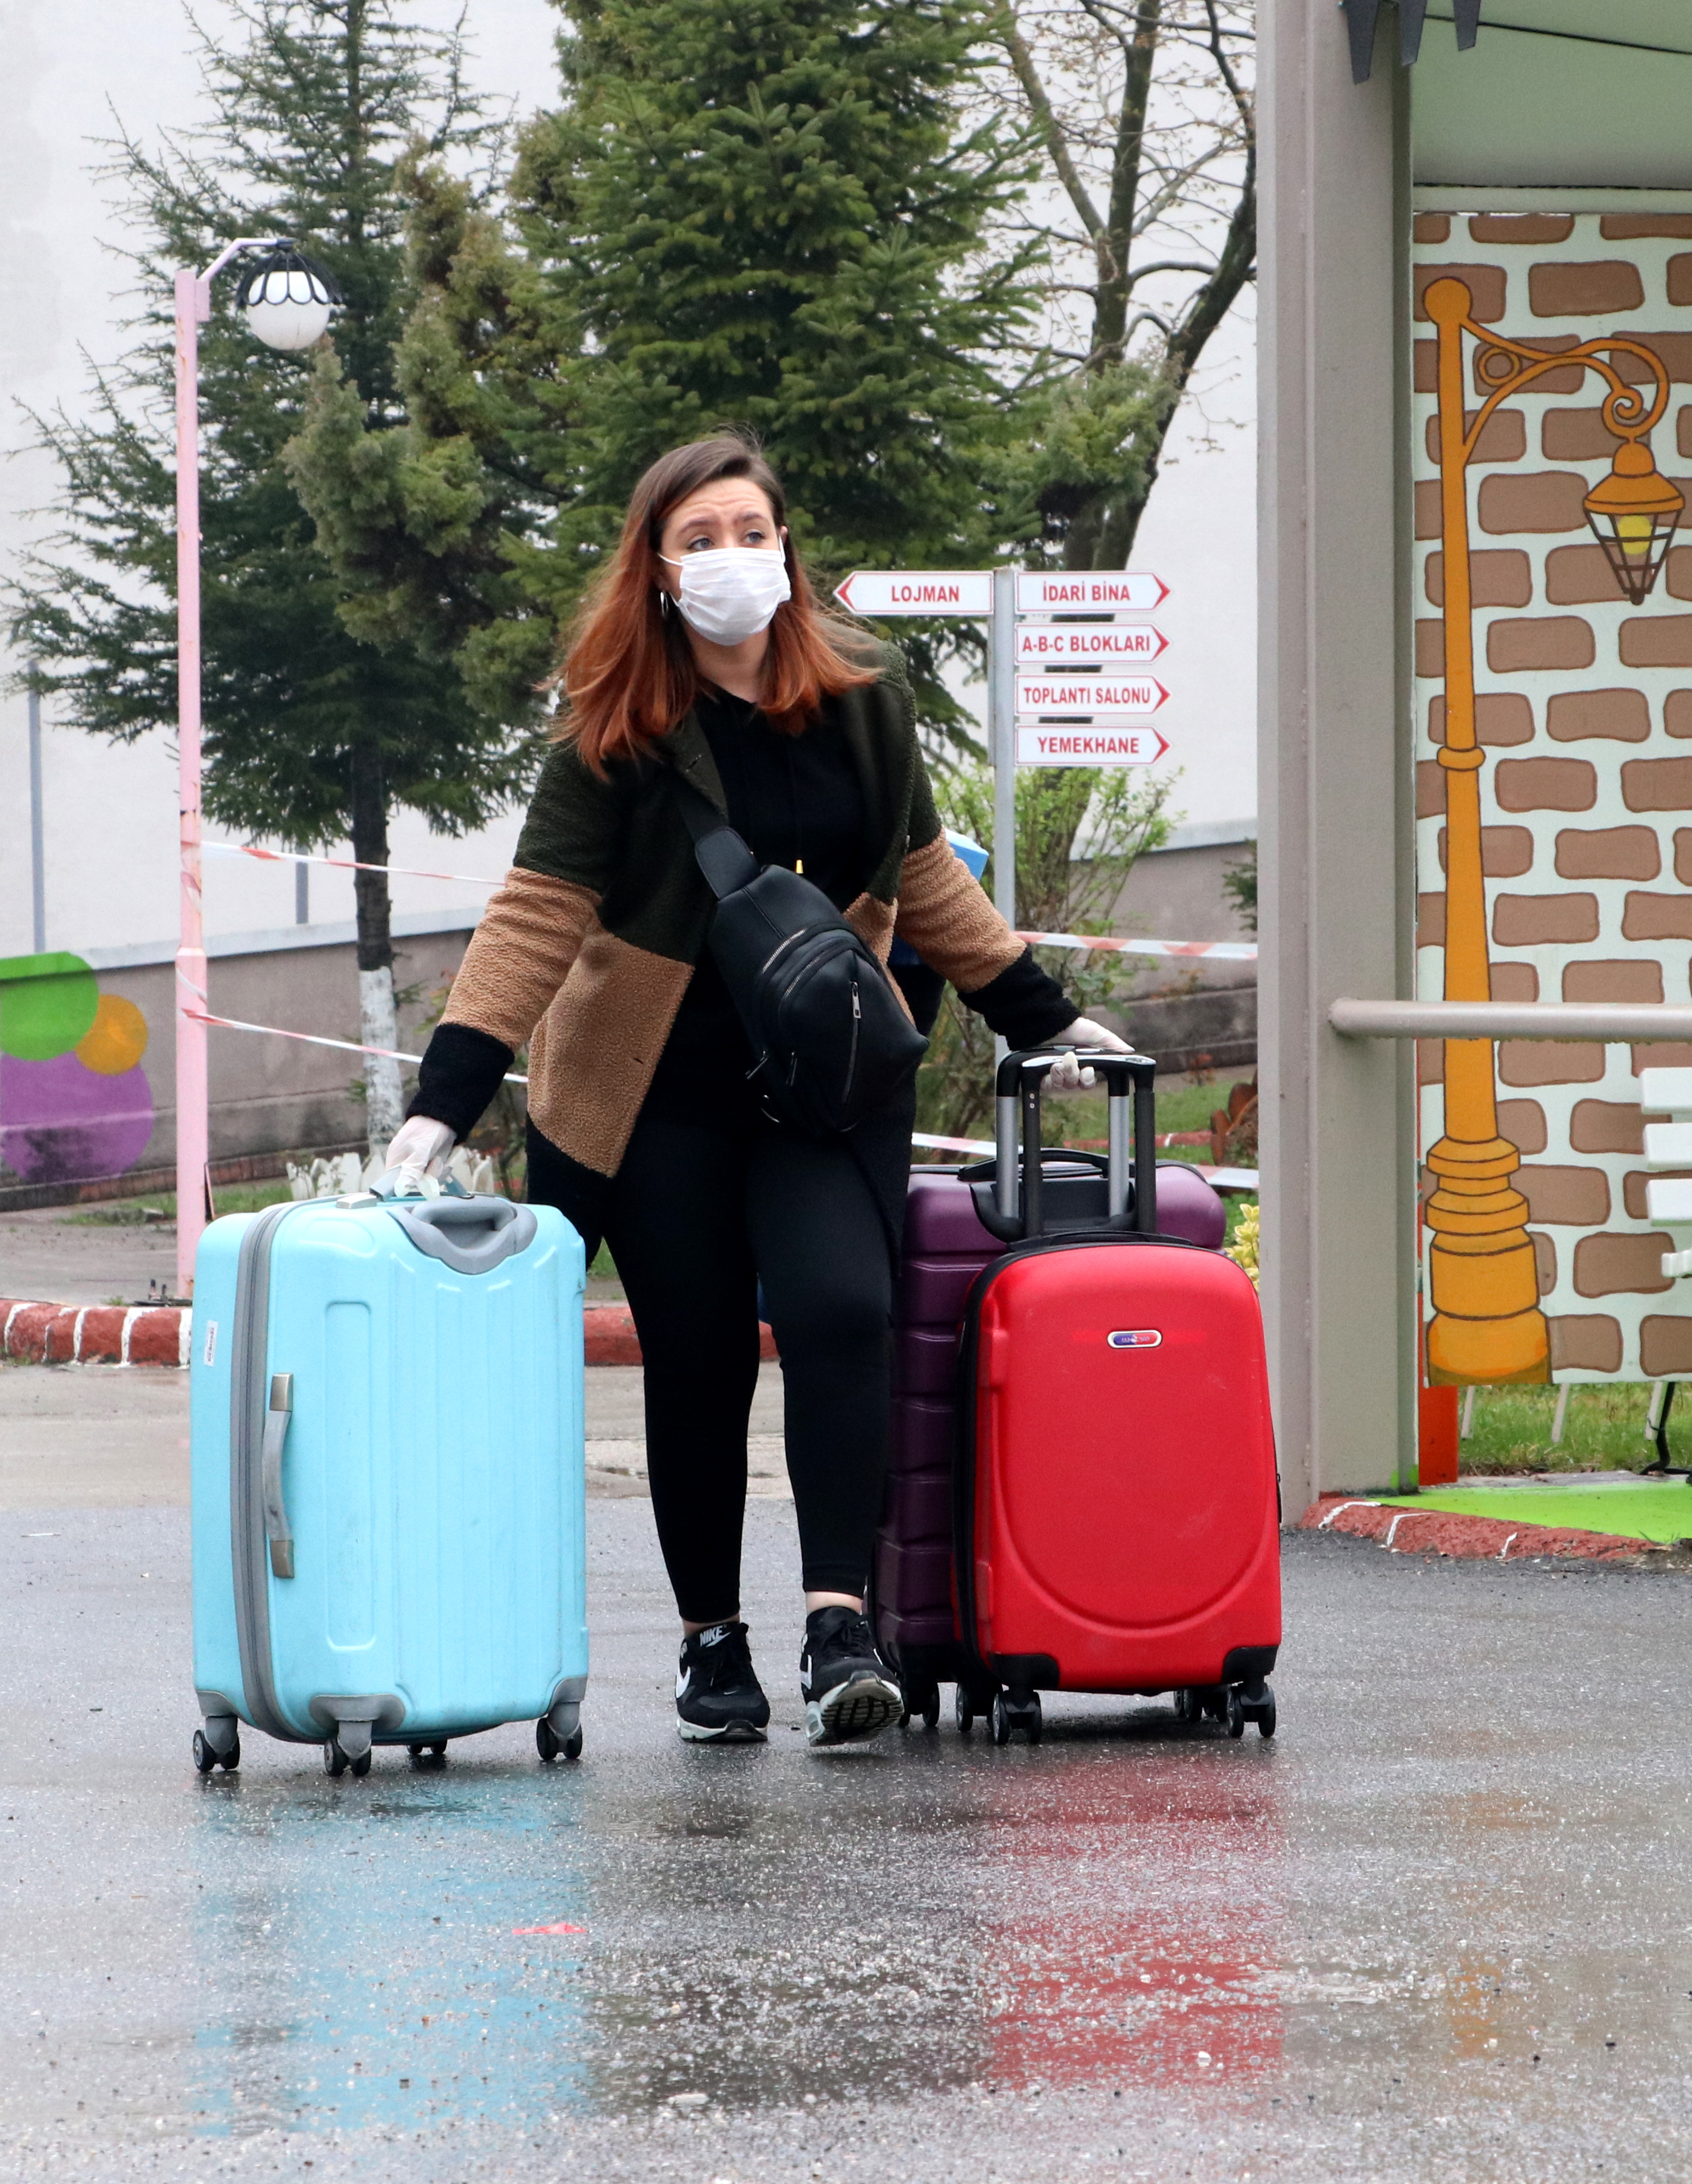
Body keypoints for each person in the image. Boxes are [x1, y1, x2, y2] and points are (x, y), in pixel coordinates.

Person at [376, 432, 1128, 1748]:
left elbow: (926, 876)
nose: (732, 557)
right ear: (658, 572)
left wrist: (1048, 1013)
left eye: (750, 530)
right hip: (656, 1084)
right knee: (703, 1357)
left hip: (823, 1079)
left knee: (845, 1308)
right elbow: (534, 923)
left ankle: (840, 1625)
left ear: (788, 548)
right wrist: (445, 1099)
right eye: (699, 539)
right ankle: (708, 1636)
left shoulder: (866, 697)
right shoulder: (617, 727)